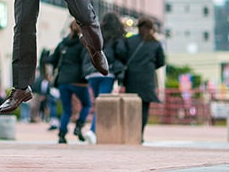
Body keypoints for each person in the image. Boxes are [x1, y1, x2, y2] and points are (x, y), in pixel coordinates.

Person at [82, 11, 128, 142]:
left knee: (97, 102)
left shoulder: (96, 34)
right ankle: (93, 131)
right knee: (101, 104)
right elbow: (121, 53)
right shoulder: (117, 37)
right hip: (107, 73)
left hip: (91, 73)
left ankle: (96, 131)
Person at [123, 15, 166, 141]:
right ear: (151, 28)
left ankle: (131, 133)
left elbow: (124, 57)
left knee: (131, 108)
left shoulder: (129, 41)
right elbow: (161, 62)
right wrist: (150, 66)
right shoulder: (155, 43)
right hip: (147, 79)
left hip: (131, 78)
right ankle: (140, 134)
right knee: (144, 109)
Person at [50, 19, 91, 144]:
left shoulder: (63, 43)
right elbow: (87, 60)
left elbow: (52, 59)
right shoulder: (83, 44)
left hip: (63, 81)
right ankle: (79, 126)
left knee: (67, 109)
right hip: (78, 81)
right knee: (87, 104)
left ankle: (62, 134)